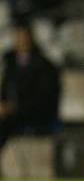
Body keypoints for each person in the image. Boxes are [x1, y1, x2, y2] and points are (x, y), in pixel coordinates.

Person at [0, 20, 61, 150]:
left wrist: (14, 108)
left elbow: (42, 98)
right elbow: (5, 89)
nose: (20, 40)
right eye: (17, 36)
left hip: (34, 115)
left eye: (22, 36)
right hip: (14, 113)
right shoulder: (10, 62)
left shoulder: (43, 66)